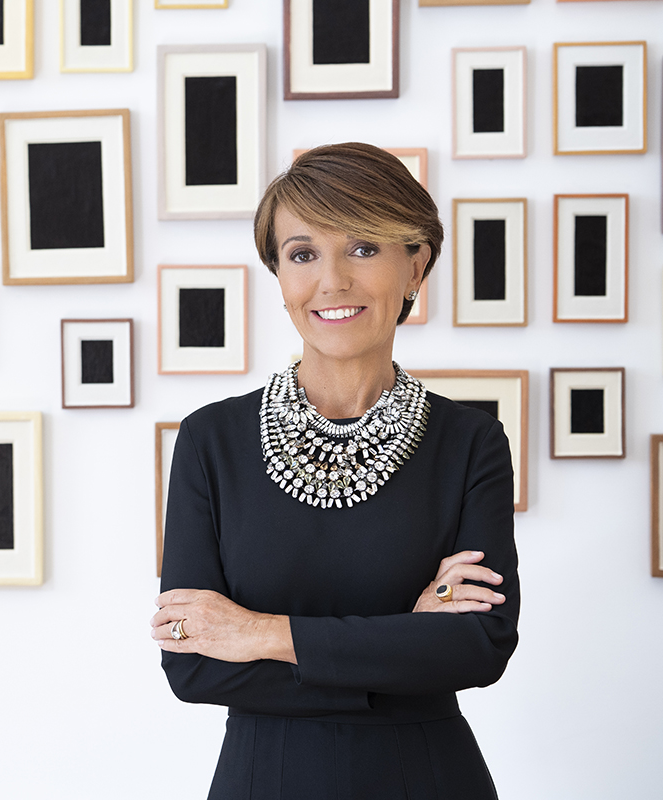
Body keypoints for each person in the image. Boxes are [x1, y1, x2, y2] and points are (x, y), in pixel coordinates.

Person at [150, 142, 519, 799]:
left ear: (416, 266)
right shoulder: (210, 441)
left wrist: (259, 634)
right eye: (302, 253)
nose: (332, 282)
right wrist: (404, 643)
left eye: (364, 247)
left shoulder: (470, 442)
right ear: (281, 276)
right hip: (264, 780)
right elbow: (193, 666)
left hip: (426, 780)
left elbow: (479, 647)